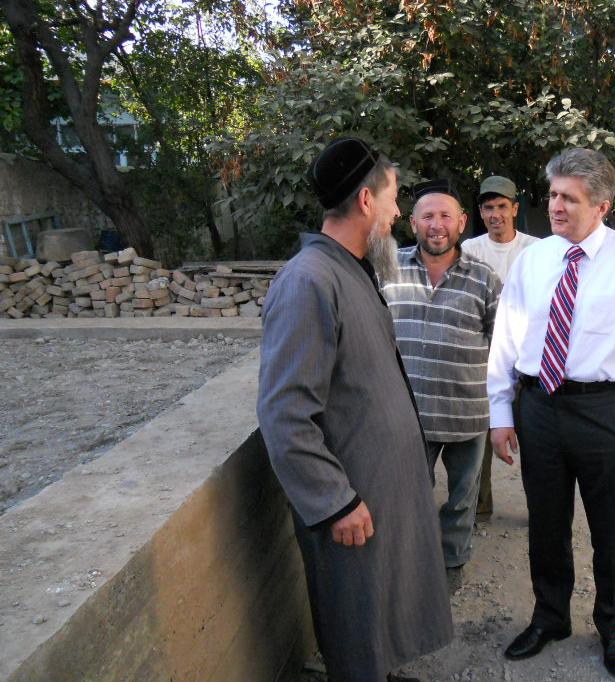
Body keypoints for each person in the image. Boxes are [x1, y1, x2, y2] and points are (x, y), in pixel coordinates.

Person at [257, 138, 453, 682]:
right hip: (350, 505)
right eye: (393, 198)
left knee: (377, 617)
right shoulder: (308, 280)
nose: (398, 212)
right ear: (366, 201)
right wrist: (333, 500)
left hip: (376, 495)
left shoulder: (350, 269)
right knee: (354, 624)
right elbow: (285, 413)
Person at [487, 148, 615, 675]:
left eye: (569, 198)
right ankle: (550, 617)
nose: (556, 206)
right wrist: (501, 413)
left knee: (611, 530)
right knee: (546, 525)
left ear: (602, 206)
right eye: (553, 195)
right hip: (539, 407)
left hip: (605, 413)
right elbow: (507, 340)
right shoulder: (534, 260)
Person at [380, 178, 502, 594]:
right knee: (409, 495)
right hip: (405, 414)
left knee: (462, 497)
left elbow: (502, 344)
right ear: (413, 222)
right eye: (428, 216)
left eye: (446, 216)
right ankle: (414, 562)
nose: (437, 225)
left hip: (467, 411)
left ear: (462, 223)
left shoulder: (485, 279)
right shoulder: (387, 268)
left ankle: (452, 562)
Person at [461, 176, 540, 521]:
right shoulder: (469, 250)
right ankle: (479, 508)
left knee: (536, 440)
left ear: (515, 209)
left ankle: (542, 511)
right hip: (483, 357)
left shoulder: (536, 250)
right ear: (481, 212)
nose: (496, 214)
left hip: (528, 360)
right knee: (480, 438)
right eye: (489, 207)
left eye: (502, 206)